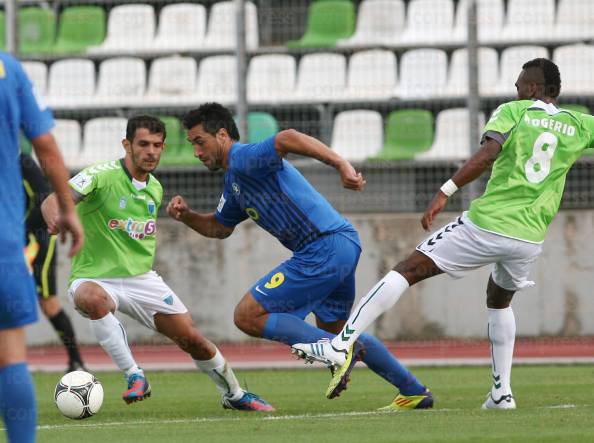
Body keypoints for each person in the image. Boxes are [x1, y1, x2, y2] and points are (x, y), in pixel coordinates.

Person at [293, 58, 594, 410]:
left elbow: (487, 154)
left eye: (519, 86)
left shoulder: (515, 111)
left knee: (408, 269)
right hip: (529, 237)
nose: (516, 91)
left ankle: (340, 344)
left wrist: (445, 191)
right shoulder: (580, 124)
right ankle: (501, 393)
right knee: (499, 300)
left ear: (532, 89)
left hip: (489, 224)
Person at [167, 102, 433, 410]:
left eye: (199, 141)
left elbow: (287, 137)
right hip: (340, 245)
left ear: (223, 134)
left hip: (323, 247)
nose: (196, 152)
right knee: (339, 333)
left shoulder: (244, 158)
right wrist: (186, 216)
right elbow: (219, 227)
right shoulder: (235, 182)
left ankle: (331, 351)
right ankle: (414, 391)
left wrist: (341, 165)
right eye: (192, 145)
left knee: (247, 315)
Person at [41, 115, 273, 411]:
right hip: (95, 277)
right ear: (127, 145)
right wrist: (55, 219)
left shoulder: (155, 188)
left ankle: (235, 394)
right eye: (144, 144)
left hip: (142, 279)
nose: (151, 151)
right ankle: (134, 375)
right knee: (90, 298)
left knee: (193, 340)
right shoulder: (101, 175)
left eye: (158, 145)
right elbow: (53, 200)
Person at [0, 52, 83, 443]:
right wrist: (68, 210)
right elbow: (46, 143)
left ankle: (75, 358)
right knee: (10, 354)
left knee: (49, 301)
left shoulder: (25, 167)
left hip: (28, 241)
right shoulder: (8, 68)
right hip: (6, 243)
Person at [21, 153, 87, 373]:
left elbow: (42, 199)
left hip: (36, 242)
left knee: (48, 303)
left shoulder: (22, 162)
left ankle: (76, 361)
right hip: (10, 245)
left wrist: (17, 231)